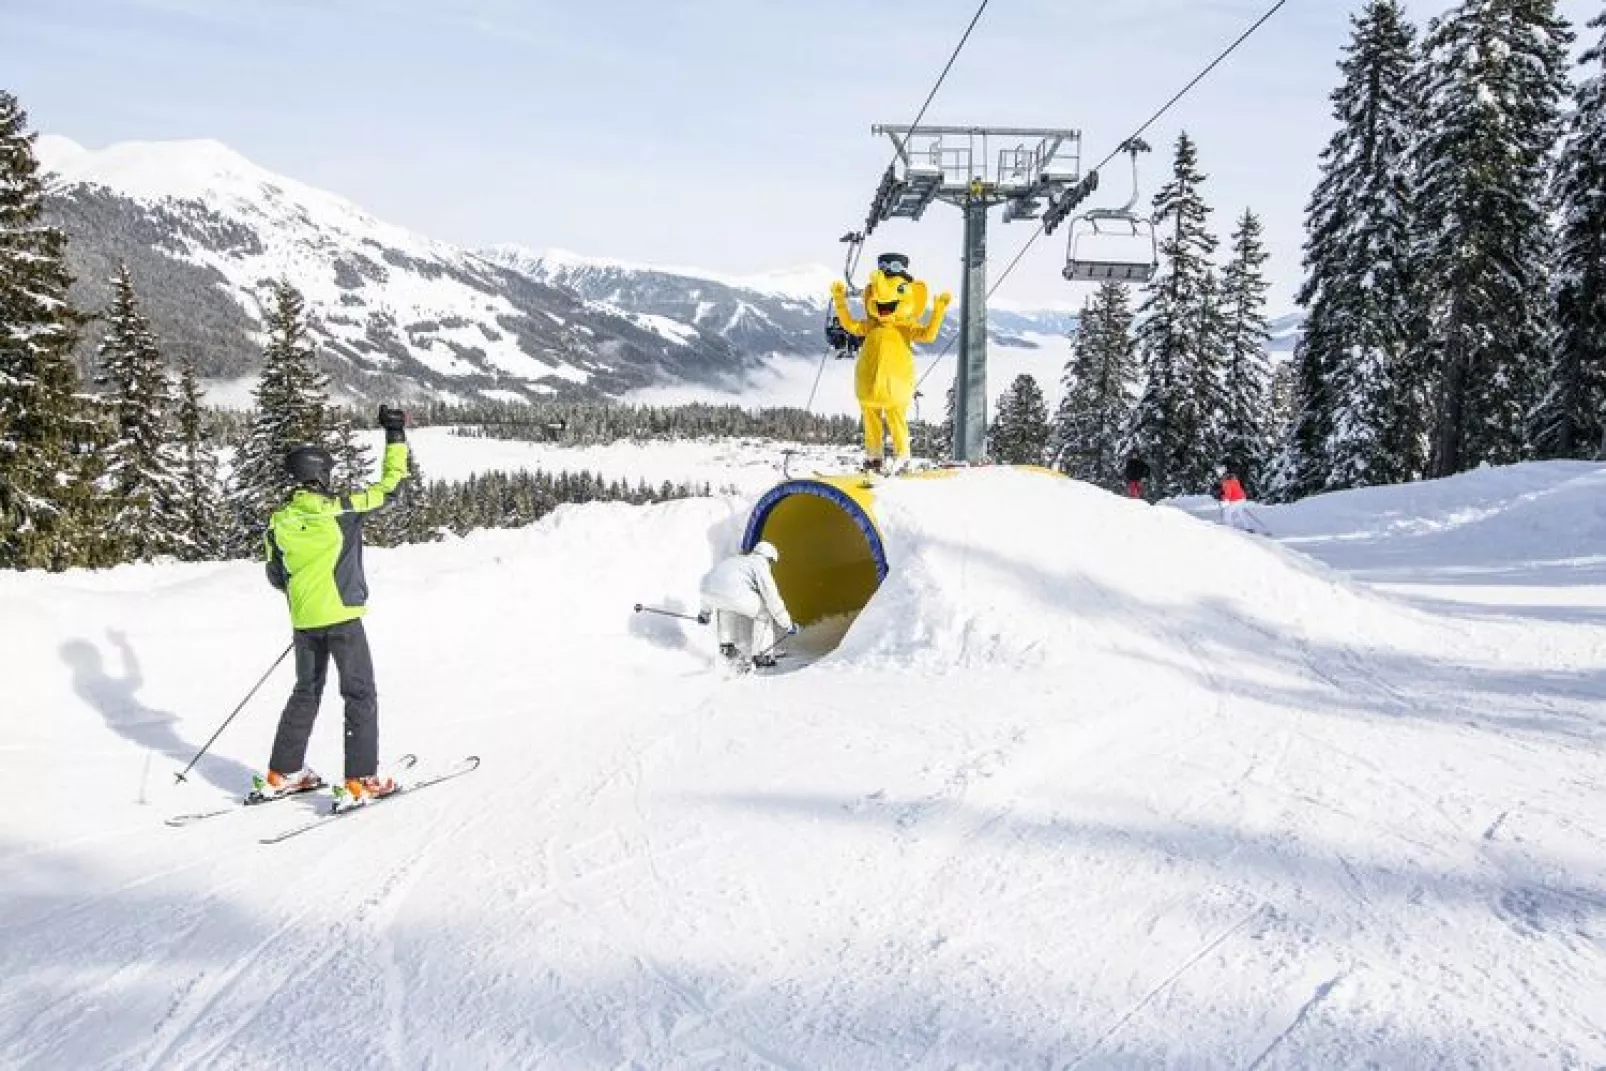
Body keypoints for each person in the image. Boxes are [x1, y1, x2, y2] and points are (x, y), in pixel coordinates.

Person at [255, 405, 410, 806]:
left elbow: (276, 575)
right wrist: (395, 433)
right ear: (322, 474)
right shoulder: (341, 510)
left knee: (306, 691)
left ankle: (283, 772)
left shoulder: (278, 521)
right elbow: (392, 487)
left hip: (305, 621)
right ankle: (360, 781)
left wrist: (307, 594)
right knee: (359, 694)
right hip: (341, 617)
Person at [830, 253, 951, 475]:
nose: (882, 302)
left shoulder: (905, 327)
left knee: (896, 419)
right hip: (869, 387)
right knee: (871, 420)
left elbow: (928, 335)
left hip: (894, 385)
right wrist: (840, 301)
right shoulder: (870, 325)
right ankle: (874, 457)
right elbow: (849, 325)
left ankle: (902, 456)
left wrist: (939, 312)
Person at [698, 541, 796, 669]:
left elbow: (714, 584)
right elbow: (771, 596)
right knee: (764, 613)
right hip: (731, 593)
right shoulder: (760, 564)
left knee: (725, 606)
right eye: (771, 562)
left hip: (707, 591)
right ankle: (762, 655)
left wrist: (704, 613)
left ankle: (727, 647)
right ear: (769, 558)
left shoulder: (737, 561)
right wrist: (787, 624)